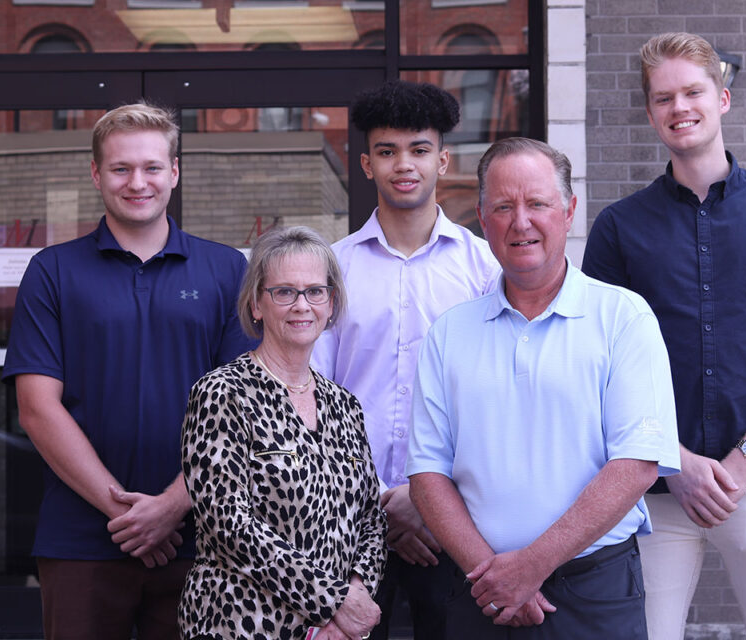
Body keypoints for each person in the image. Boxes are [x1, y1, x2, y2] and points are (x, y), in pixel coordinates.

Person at [581, 32, 746, 640]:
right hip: (652, 494)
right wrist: (675, 463)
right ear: (650, 113)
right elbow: (599, 365)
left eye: (693, 92)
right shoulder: (618, 229)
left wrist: (743, 462)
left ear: (722, 98)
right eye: (663, 98)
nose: (680, 107)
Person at [407, 137, 681, 639]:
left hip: (594, 592)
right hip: (479, 591)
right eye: (504, 207)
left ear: (570, 211)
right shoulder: (449, 332)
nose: (521, 221)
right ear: (482, 218)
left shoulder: (623, 317)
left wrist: (531, 566)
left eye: (537, 203)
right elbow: (427, 474)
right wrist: (495, 576)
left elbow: (637, 464)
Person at [2, 102, 257, 640]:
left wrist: (170, 506)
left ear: (175, 172)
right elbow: (37, 407)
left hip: (207, 538)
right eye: (121, 168)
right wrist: (129, 513)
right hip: (81, 539)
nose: (137, 182)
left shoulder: (228, 269)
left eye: (151, 167)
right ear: (97, 174)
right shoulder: (52, 271)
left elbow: (247, 408)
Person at [312, 79, 500, 640]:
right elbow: (310, 395)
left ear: (443, 160)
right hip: (345, 523)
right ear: (366, 163)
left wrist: (428, 502)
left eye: (419, 150)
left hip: (456, 523)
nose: (404, 165)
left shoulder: (484, 270)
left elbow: (495, 398)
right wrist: (383, 505)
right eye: (388, 151)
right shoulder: (330, 270)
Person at [178, 225, 387, 640]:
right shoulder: (222, 393)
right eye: (284, 292)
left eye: (315, 291)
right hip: (240, 625)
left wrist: (353, 602)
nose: (301, 305)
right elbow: (228, 524)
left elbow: (371, 517)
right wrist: (333, 601)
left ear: (331, 304)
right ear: (256, 303)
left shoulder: (344, 405)